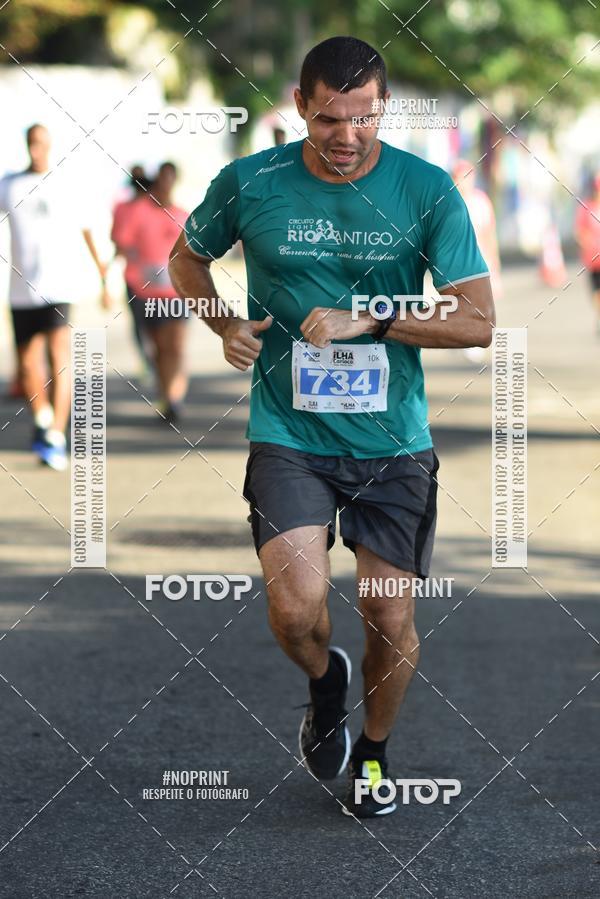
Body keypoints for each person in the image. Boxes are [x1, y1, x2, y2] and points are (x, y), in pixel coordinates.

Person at [169, 36, 494, 818]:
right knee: (295, 609)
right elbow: (186, 260)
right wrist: (220, 322)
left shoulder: (425, 191)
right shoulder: (251, 182)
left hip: (392, 442)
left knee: (388, 610)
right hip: (290, 432)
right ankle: (325, 683)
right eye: (328, 120)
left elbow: (477, 319)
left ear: (383, 108)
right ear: (301, 107)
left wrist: (375, 319)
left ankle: (376, 752)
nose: (346, 136)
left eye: (364, 119)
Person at [0, 124, 108, 470]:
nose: (37, 150)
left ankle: (57, 436)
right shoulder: (9, 184)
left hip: (59, 286)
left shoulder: (65, 184)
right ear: (26, 145)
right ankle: (44, 418)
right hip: (20, 290)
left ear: (50, 145)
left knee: (59, 358)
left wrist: (103, 274)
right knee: (29, 364)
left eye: (42, 144)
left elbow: (88, 231)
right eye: (32, 143)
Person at [114, 162, 188, 422]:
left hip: (178, 293)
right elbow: (122, 243)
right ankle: (165, 392)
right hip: (145, 293)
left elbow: (196, 253)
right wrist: (139, 265)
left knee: (175, 346)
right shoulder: (137, 212)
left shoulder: (182, 215)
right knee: (157, 348)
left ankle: (174, 399)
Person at [452, 158, 502, 363]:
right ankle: (463, 336)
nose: (462, 182)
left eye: (466, 177)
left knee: (481, 301)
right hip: (455, 262)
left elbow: (490, 233)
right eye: (458, 178)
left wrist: (495, 261)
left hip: (480, 259)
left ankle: (475, 338)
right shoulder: (449, 201)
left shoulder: (481, 201)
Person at [111, 165, 153, 373]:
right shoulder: (122, 208)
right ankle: (147, 361)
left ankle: (155, 360)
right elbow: (117, 240)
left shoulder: (155, 207)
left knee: (156, 321)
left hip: (156, 276)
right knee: (139, 321)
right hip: (134, 276)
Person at [575, 172, 600, 335]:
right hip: (593, 259)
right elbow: (580, 232)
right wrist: (587, 244)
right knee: (596, 291)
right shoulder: (586, 208)